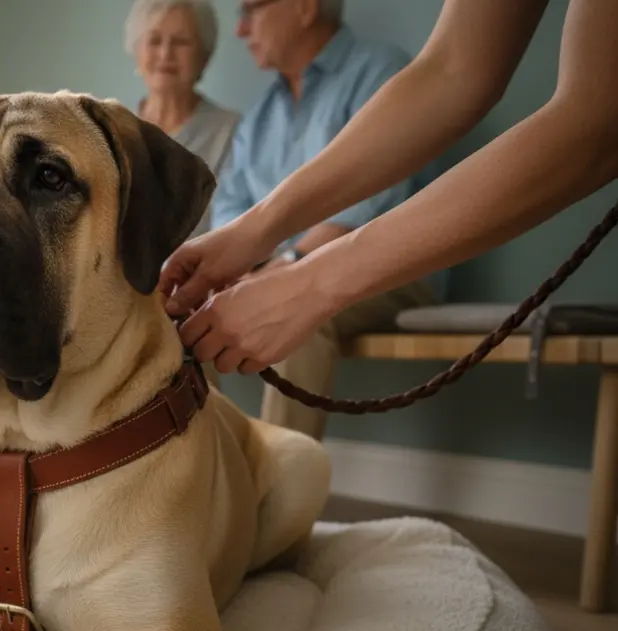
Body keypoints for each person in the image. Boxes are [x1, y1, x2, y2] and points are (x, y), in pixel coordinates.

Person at [160, 0, 618, 390]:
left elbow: (596, 123)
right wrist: (254, 230)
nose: (241, 27)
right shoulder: (263, 112)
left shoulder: (372, 67)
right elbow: (453, 71)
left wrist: (307, 279)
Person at [199, 0, 443, 440]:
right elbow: (231, 208)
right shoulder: (258, 117)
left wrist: (288, 267)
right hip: (279, 269)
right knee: (193, 316)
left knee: (300, 308)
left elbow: (369, 198)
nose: (240, 30)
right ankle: (207, 482)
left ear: (304, 7)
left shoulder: (382, 73)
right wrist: (260, 272)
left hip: (392, 272)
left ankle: (274, 498)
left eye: (251, 10)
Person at [127, 0, 241, 240]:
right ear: (137, 52)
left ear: (204, 56)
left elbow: (232, 227)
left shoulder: (233, 131)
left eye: (181, 42)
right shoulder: (113, 131)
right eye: (155, 40)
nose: (166, 53)